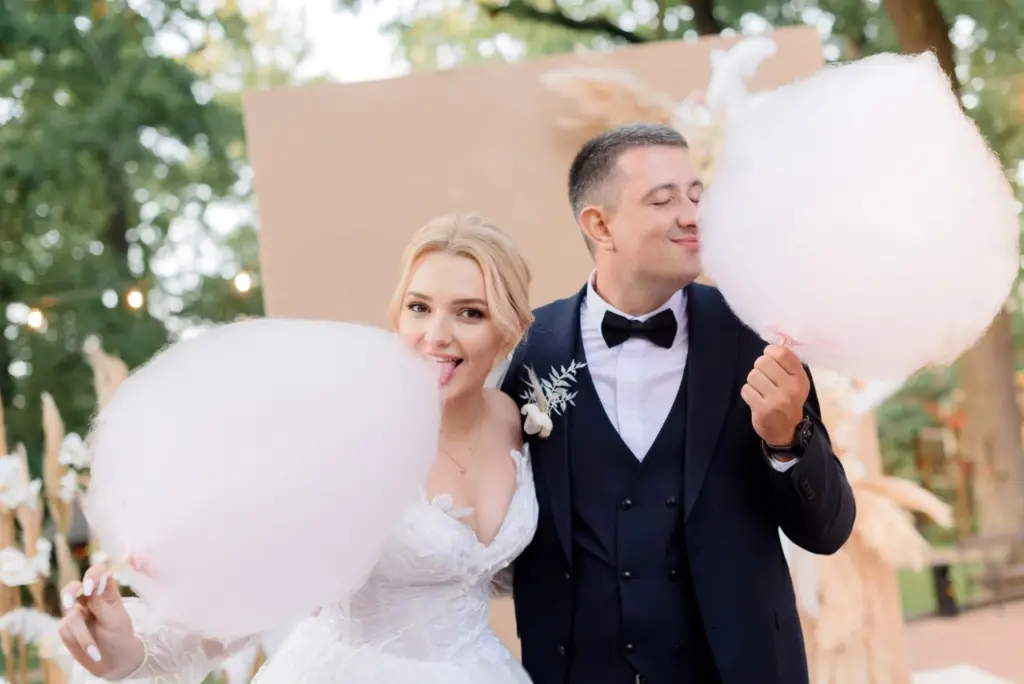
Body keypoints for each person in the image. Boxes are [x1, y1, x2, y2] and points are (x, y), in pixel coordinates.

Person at [56, 214, 540, 684]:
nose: (435, 335)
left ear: (512, 329)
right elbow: (252, 580)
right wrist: (130, 652)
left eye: (469, 313)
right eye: (419, 307)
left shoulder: (517, 418)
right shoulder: (349, 433)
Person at [498, 122, 856, 684]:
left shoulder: (758, 334)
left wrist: (788, 439)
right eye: (664, 200)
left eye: (697, 195)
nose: (692, 215)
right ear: (599, 224)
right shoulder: (524, 349)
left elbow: (828, 529)